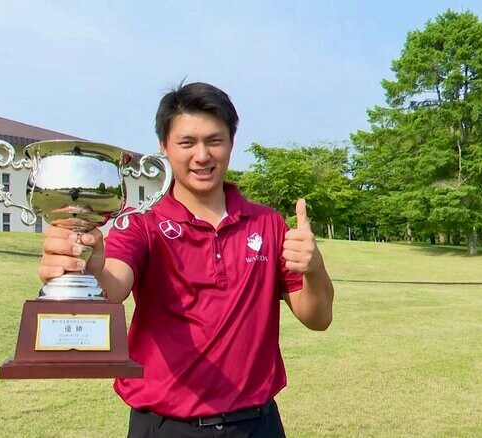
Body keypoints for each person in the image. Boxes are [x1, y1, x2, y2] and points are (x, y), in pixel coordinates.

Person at [38, 82, 334, 437]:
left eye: (214, 140)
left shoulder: (267, 223)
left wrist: (314, 268)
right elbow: (112, 286)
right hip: (165, 426)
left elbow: (318, 318)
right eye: (187, 143)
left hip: (257, 424)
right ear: (163, 146)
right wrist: (85, 268)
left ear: (231, 142)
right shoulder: (142, 222)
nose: (202, 156)